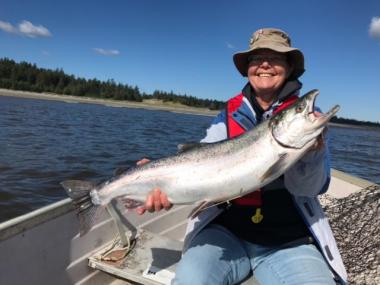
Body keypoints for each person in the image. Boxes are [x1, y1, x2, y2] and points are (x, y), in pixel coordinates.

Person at [137, 28, 348, 285]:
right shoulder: (228, 114)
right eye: (256, 58)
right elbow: (198, 163)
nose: (265, 64)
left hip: (286, 241)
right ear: (248, 68)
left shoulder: (308, 123)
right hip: (224, 234)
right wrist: (161, 180)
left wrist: (313, 153)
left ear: (290, 67)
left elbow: (309, 188)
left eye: (276, 58)